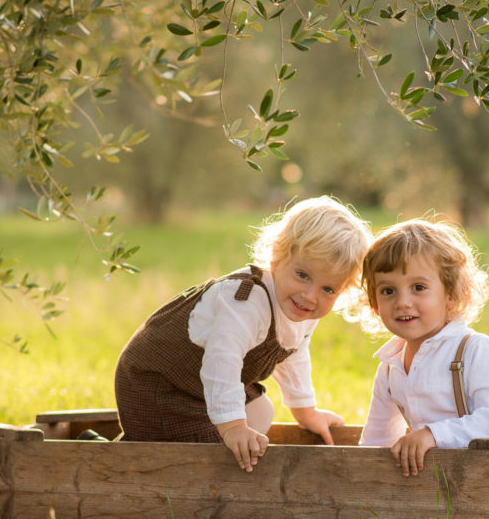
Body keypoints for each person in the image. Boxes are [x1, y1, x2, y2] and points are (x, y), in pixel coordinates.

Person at [114, 196, 371, 472]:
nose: (310, 296)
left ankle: (123, 452)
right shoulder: (247, 302)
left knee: (261, 413)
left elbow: (294, 355)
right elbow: (222, 360)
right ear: (277, 254)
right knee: (211, 447)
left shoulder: (300, 308)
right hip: (157, 384)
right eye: (302, 275)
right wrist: (233, 426)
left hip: (198, 387)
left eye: (328, 289)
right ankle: (115, 460)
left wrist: (306, 412)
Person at [358, 219, 489, 476]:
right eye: (388, 291)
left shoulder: (475, 350)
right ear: (374, 303)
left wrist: (432, 435)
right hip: (447, 479)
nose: (403, 302)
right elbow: (377, 439)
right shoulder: (390, 367)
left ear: (450, 294)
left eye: (419, 288)